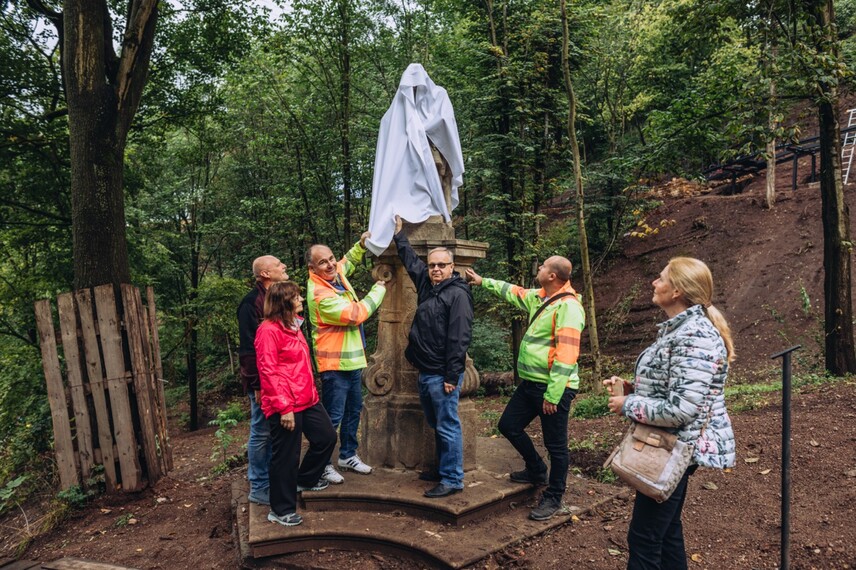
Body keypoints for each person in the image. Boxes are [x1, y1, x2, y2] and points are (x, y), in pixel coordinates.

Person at [603, 257, 736, 569]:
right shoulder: (681, 330)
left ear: (677, 291)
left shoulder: (695, 336)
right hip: (672, 444)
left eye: (661, 278)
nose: (654, 283)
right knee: (666, 533)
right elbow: (676, 386)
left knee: (645, 538)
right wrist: (632, 388)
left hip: (676, 447)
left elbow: (681, 409)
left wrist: (628, 405)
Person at [466, 258, 585, 521]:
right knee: (508, 425)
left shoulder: (569, 308)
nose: (538, 269)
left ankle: (553, 496)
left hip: (554, 388)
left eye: (542, 266)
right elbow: (513, 291)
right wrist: (482, 281)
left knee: (556, 446)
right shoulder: (541, 297)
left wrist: (553, 395)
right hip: (530, 384)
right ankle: (536, 469)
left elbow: (567, 355)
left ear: (553, 275)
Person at [393, 216, 473, 498]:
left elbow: (459, 338)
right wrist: (400, 235)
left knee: (447, 424)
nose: (435, 269)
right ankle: (442, 468)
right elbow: (411, 262)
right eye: (432, 265)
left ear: (452, 268)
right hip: (426, 371)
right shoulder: (428, 285)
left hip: (442, 374)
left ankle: (452, 479)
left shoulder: (457, 295)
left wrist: (452, 376)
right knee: (436, 421)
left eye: (441, 265)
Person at [306, 232, 387, 484]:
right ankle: (322, 465)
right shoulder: (320, 293)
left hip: (352, 362)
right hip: (334, 365)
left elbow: (347, 262)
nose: (330, 264)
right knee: (332, 418)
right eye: (323, 262)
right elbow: (356, 314)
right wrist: (379, 289)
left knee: (354, 410)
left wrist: (361, 245)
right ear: (312, 268)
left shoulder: (334, 275)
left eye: (331, 259)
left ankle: (347, 455)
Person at [255, 281, 338, 527]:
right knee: (286, 457)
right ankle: (280, 510)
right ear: (284, 302)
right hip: (285, 403)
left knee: (326, 437)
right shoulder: (268, 331)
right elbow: (268, 370)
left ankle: (306, 478)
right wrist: (284, 408)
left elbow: (300, 366)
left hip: (307, 398)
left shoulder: (293, 325)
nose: (301, 299)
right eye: (296, 296)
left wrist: (311, 392)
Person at [237, 255, 288, 506]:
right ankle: (258, 486)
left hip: (281, 378)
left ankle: (271, 481)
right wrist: (257, 384)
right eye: (279, 265)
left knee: (274, 431)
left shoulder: (278, 299)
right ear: (266, 274)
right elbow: (248, 348)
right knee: (261, 430)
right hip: (261, 379)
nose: (284, 267)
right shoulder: (251, 303)